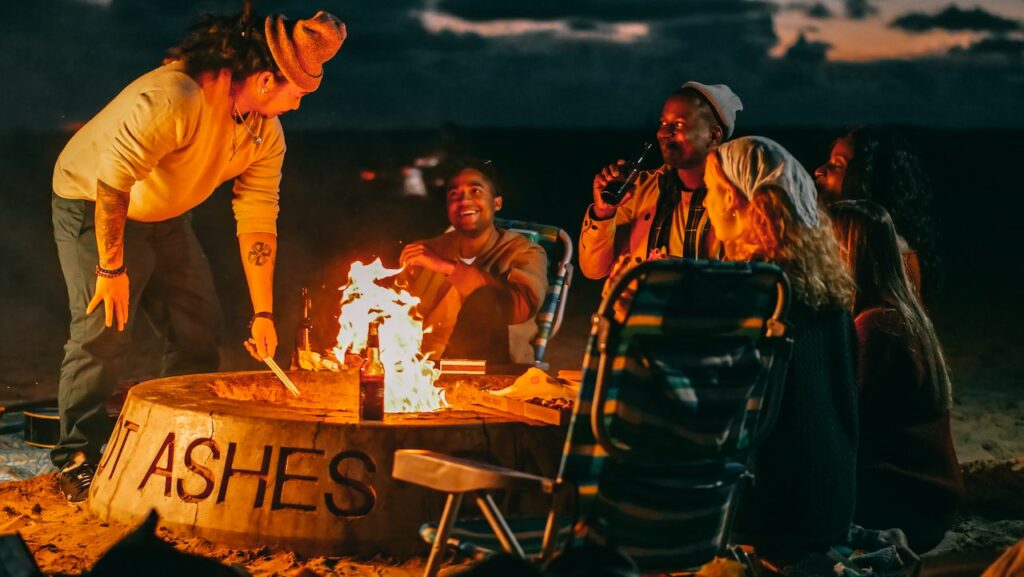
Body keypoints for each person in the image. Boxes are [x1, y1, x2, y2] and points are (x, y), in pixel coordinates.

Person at [50, 4, 346, 502]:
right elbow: (113, 180)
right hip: (94, 201)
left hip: (164, 215)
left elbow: (257, 215)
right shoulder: (176, 97)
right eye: (298, 94)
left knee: (198, 330)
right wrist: (111, 266)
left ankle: (173, 444)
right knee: (104, 329)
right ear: (268, 81)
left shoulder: (263, 132)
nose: (298, 107)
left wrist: (264, 312)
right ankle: (76, 456)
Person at [702, 136, 859, 559]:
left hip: (769, 512)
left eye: (711, 191)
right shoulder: (828, 290)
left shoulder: (755, 291)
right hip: (832, 505)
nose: (706, 204)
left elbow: (709, 408)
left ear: (735, 201)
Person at [831, 200, 964, 553]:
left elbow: (849, 425)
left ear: (846, 252)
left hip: (907, 503)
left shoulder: (876, 326)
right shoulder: (903, 314)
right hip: (933, 496)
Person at [578, 82, 743, 287]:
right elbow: (593, 270)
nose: (664, 133)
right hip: (633, 315)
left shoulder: (737, 200)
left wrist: (676, 274)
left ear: (714, 134)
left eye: (679, 124)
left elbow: (741, 285)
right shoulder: (639, 189)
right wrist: (603, 213)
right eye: (663, 123)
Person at [399, 160, 548, 364]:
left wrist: (447, 267)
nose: (464, 201)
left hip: (496, 369)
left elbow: (520, 309)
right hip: (423, 368)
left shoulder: (524, 252)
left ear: (497, 203)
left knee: (485, 298)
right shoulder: (426, 250)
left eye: (475, 191)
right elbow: (395, 309)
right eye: (454, 195)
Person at [813, 127, 941, 298]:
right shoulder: (848, 240)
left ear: (866, 181)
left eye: (837, 165)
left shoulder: (888, 259)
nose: (819, 170)